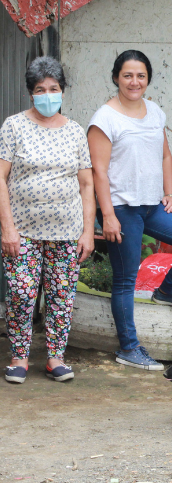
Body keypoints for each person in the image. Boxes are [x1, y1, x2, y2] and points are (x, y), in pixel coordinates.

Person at [88, 50, 172, 371]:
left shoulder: (155, 112)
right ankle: (129, 347)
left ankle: (168, 289)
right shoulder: (105, 118)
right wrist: (109, 215)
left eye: (140, 76)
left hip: (152, 206)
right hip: (121, 208)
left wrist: (170, 192)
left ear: (148, 79)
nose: (134, 82)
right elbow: (97, 172)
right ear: (116, 77)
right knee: (125, 281)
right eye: (128, 75)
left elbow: (164, 157)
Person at [1, 57, 95, 384]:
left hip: (67, 232)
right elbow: (0, 178)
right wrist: (7, 228)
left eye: (53, 88)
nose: (47, 94)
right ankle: (19, 357)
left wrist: (88, 232)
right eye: (40, 89)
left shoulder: (74, 131)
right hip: (22, 230)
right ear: (31, 94)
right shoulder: (13, 126)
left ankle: (56, 358)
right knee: (22, 293)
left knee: (61, 294)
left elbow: (86, 184)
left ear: (63, 92)